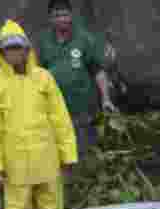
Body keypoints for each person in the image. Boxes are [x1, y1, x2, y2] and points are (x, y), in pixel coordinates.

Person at [0, 19, 77, 209]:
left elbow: (60, 119)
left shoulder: (44, 78)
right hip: (16, 163)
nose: (14, 53)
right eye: (8, 49)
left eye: (18, 48)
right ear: (1, 53)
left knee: (52, 208)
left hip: (48, 158)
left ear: (27, 49)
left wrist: (68, 155)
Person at [35, 0, 117, 168]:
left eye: (64, 14)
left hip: (83, 110)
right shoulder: (43, 42)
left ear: (71, 16)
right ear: (50, 18)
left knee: (84, 153)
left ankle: (85, 181)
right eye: (57, 15)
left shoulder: (84, 38)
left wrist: (106, 99)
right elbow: (37, 76)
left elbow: (98, 71)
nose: (61, 18)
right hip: (54, 111)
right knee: (59, 156)